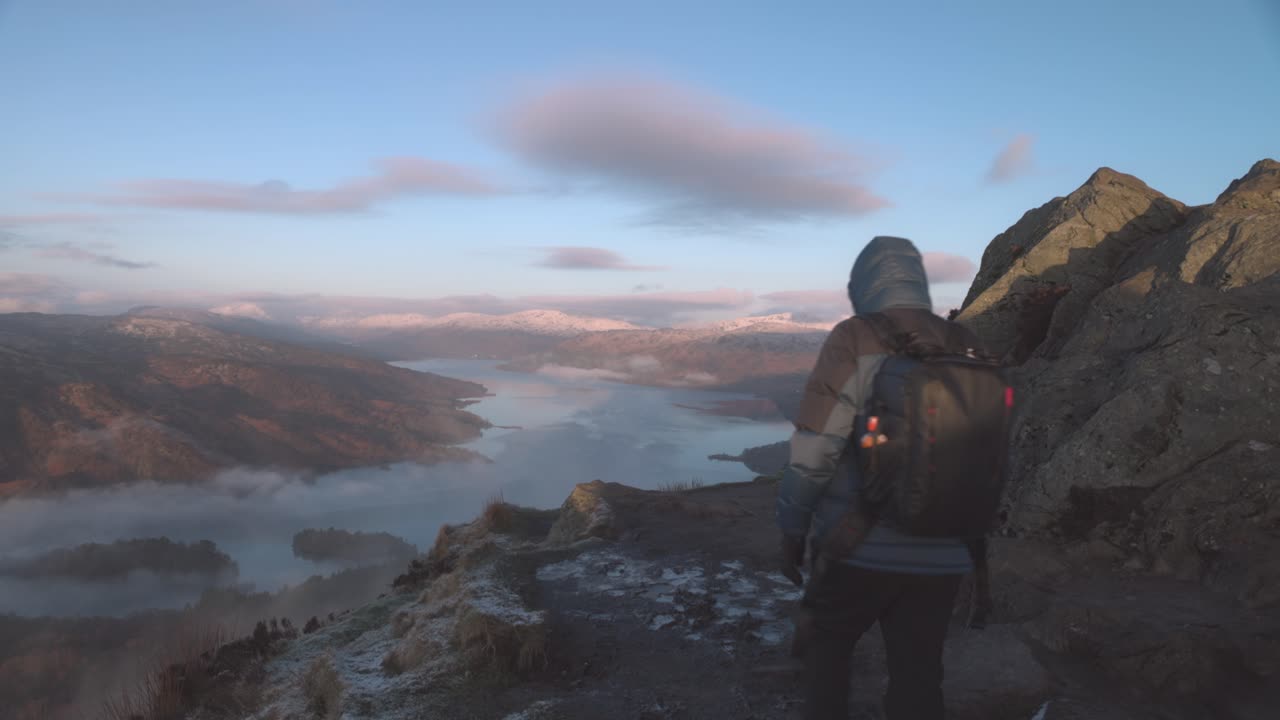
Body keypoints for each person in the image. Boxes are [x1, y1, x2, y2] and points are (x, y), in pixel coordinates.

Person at [775, 236, 990, 720]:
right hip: (944, 547)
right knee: (918, 672)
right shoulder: (965, 340)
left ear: (864, 285)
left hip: (859, 544)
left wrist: (792, 528)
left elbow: (817, 444)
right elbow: (985, 450)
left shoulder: (855, 336)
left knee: (826, 651)